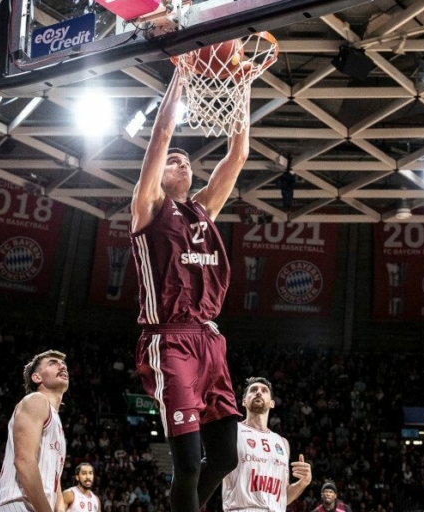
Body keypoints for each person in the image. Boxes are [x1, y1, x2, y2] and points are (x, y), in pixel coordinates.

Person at [129, 56, 252, 512]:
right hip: (169, 342)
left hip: (208, 339)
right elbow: (161, 137)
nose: (179, 162)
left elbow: (238, 154)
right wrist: (181, 72)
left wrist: (241, 84)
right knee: (189, 465)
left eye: (185, 161)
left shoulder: (202, 211)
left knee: (224, 456)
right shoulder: (147, 208)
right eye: (172, 161)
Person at [0, 350, 70, 512]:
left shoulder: (55, 420)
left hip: (36, 506)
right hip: (17, 503)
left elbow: (55, 484)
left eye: (63, 364)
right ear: (37, 377)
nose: (62, 366)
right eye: (53, 363)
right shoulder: (36, 400)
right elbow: (24, 461)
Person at [221, 377, 312, 512]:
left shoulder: (282, 443)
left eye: (264, 391)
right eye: (253, 390)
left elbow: (283, 497)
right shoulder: (232, 432)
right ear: (244, 401)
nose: (258, 392)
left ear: (272, 403)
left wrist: (303, 482)